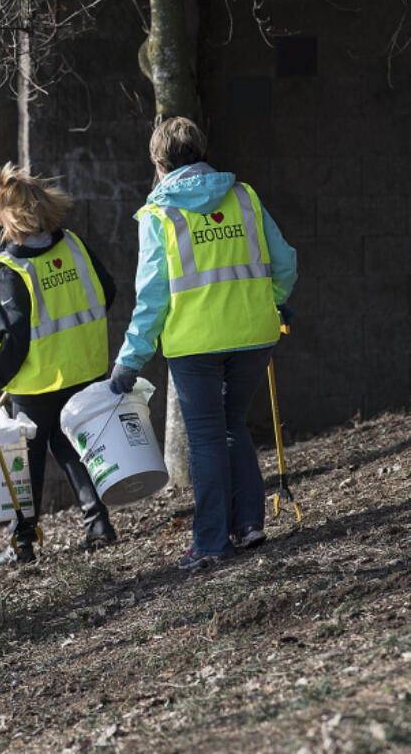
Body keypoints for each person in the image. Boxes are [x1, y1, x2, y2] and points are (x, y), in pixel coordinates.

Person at [109, 117, 297, 570]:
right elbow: (286, 262)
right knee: (233, 426)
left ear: (159, 163)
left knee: (208, 438)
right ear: (203, 150)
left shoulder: (159, 216)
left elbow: (152, 298)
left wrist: (130, 359)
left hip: (196, 346)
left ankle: (212, 542)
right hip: (254, 336)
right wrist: (273, 302)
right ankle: (250, 524)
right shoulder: (244, 197)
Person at [0, 163, 118, 566]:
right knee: (70, 444)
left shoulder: (10, 268)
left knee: (26, 462)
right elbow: (107, 291)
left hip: (36, 381)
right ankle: (98, 522)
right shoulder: (72, 244)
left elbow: (14, 338)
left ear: (13, 216)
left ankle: (22, 543)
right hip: (84, 368)